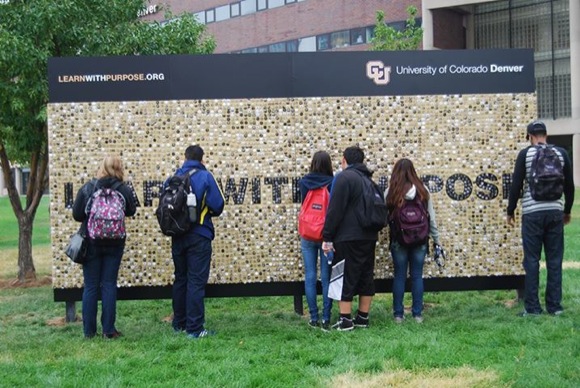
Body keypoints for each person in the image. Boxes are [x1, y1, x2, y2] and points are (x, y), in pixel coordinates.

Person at [507, 121, 574, 316]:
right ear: (546, 135)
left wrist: (510, 211)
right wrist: (567, 210)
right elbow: (569, 186)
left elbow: (516, 185)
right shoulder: (561, 154)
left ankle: (533, 308)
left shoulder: (525, 154)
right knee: (554, 260)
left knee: (532, 261)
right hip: (555, 212)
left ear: (529, 136)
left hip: (532, 213)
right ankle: (555, 307)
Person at [72, 155, 137, 339]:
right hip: (115, 243)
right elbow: (131, 211)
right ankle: (109, 330)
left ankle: (89, 332)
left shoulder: (89, 187)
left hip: (91, 242)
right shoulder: (123, 188)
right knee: (109, 284)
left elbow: (77, 214)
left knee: (91, 286)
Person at [169, 145, 224, 338]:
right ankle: (195, 329)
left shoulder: (173, 177)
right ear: (202, 159)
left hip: (177, 235)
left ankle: (179, 323)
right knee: (196, 282)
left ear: (184, 157)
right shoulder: (205, 176)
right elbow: (218, 205)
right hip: (199, 235)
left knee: (180, 279)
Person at [322, 146, 378, 331]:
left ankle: (345, 320)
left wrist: (328, 236)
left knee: (343, 275)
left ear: (345, 160)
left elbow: (335, 209)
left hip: (347, 237)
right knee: (365, 275)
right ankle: (363, 317)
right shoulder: (368, 180)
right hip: (369, 236)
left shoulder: (344, 178)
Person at [386, 158, 440, 324]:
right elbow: (431, 219)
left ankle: (398, 315)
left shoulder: (391, 192)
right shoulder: (423, 191)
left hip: (398, 241)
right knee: (417, 276)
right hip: (420, 240)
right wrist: (436, 239)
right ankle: (417, 314)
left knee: (400, 276)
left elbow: (384, 217)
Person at [299, 151, 334, 331]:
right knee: (326, 277)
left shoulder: (304, 182)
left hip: (307, 234)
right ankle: (326, 318)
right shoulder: (332, 182)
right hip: (325, 235)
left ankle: (313, 318)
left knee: (310, 276)